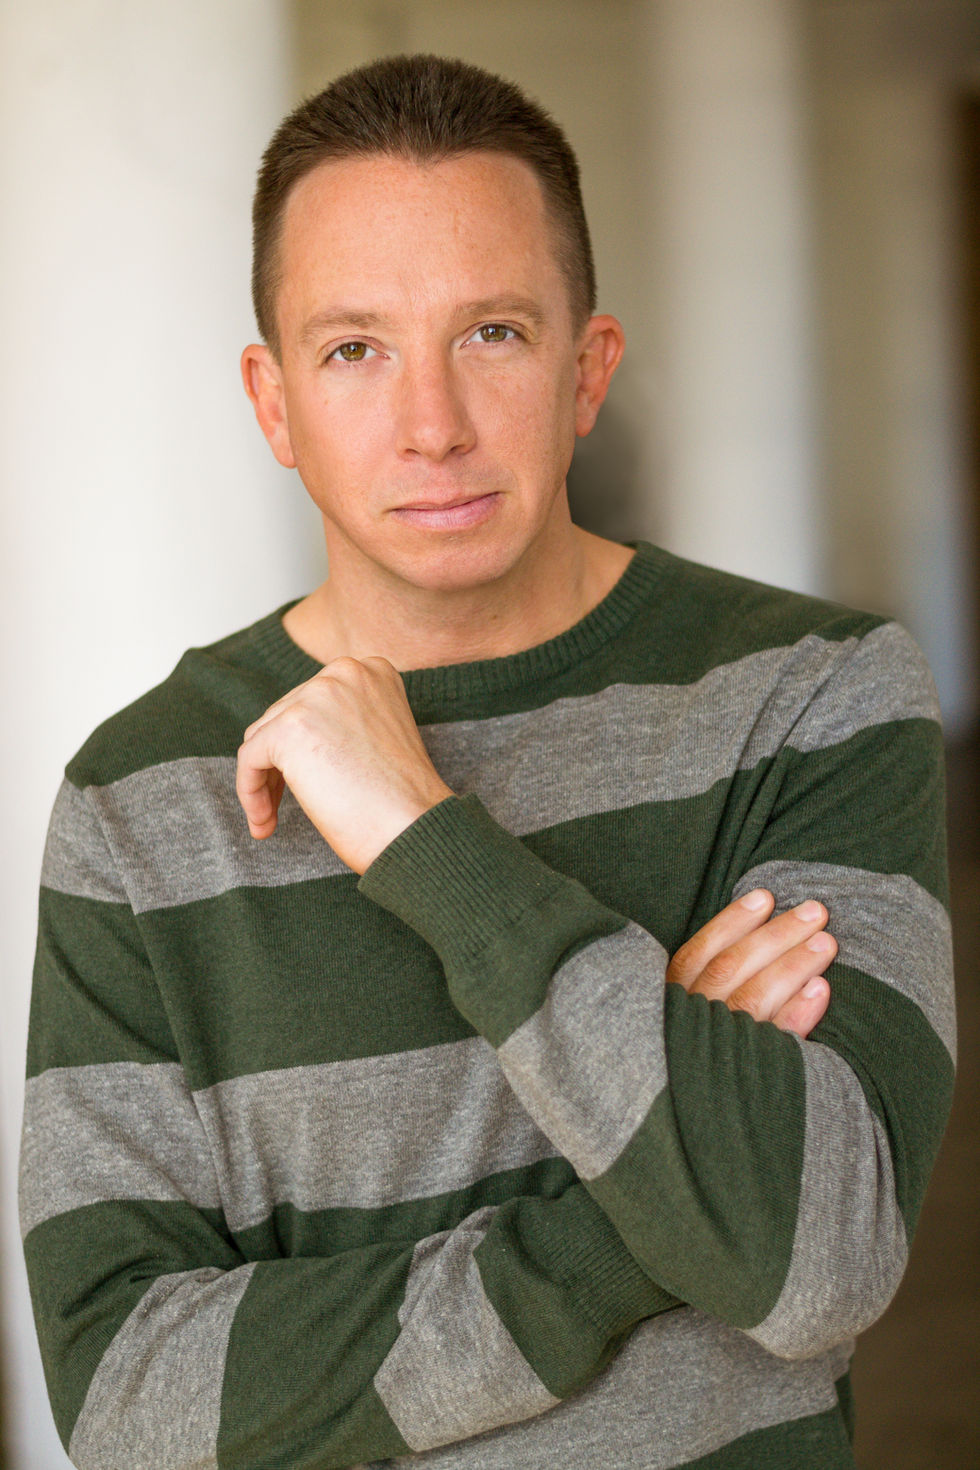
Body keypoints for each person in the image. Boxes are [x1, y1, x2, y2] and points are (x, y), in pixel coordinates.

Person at [21, 53, 954, 1470]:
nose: (433, 425)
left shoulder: (813, 695)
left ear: (588, 370)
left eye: (494, 334)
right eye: (355, 349)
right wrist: (649, 1203)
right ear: (273, 403)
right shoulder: (136, 799)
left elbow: (822, 1256)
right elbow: (130, 1403)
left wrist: (422, 834)